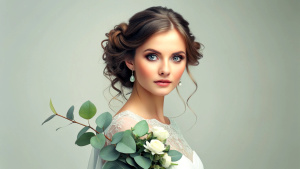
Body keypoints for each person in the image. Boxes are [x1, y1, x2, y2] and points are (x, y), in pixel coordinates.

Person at [88, 6, 204, 169]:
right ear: (130, 60)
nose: (165, 69)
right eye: (152, 56)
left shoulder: (168, 126)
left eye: (176, 57)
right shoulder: (125, 129)